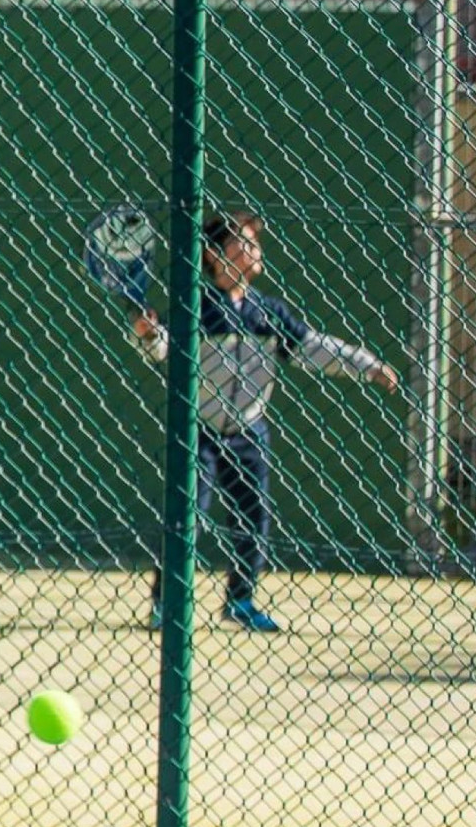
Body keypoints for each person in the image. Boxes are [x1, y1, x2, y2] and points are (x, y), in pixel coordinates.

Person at [134, 210, 399, 632]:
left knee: (253, 518)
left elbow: (313, 348)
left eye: (255, 243)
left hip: (249, 431)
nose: (254, 250)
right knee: (187, 516)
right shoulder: (194, 306)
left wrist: (367, 365)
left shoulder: (268, 311)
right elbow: (161, 347)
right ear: (214, 255)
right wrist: (148, 334)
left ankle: (240, 602)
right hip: (198, 431)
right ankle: (166, 604)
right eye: (244, 242)